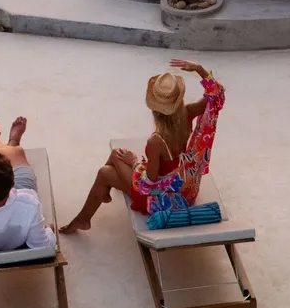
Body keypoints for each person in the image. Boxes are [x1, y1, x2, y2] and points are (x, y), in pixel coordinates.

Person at [62, 57, 224, 234]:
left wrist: (133, 163)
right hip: (186, 189)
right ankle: (95, 204)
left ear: (154, 109)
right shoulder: (188, 112)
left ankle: (89, 211)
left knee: (107, 169)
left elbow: (148, 184)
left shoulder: (156, 141)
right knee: (111, 163)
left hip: (164, 199)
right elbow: (216, 96)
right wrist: (200, 69)